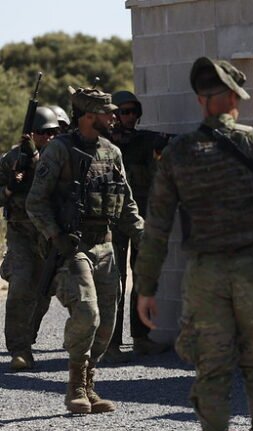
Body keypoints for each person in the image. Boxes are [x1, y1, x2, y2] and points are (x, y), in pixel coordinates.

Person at [135, 57, 253, 431]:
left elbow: (157, 225)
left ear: (200, 101)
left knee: (211, 370)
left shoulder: (177, 153)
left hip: (204, 274)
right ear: (234, 99)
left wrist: (146, 287)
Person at [26, 87, 144, 413]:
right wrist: (55, 237)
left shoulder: (111, 152)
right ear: (90, 116)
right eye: (108, 113)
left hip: (105, 244)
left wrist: (145, 237)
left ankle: (90, 383)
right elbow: (36, 201)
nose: (114, 118)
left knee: (107, 321)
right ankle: (74, 386)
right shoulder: (59, 151)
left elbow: (127, 202)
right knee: (87, 313)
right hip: (72, 245)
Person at [104, 89, 171, 362]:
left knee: (143, 276)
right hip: (111, 220)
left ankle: (141, 338)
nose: (130, 117)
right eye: (124, 112)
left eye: (133, 112)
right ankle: (110, 344)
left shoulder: (146, 141)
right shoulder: (101, 143)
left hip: (141, 217)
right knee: (113, 282)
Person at [0, 106, 59, 371]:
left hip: (48, 233)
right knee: (21, 284)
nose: (48, 137)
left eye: (53, 132)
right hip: (21, 231)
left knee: (45, 289)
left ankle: (29, 336)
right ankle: (18, 348)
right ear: (31, 133)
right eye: (43, 132)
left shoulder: (60, 158)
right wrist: (11, 186)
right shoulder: (10, 159)